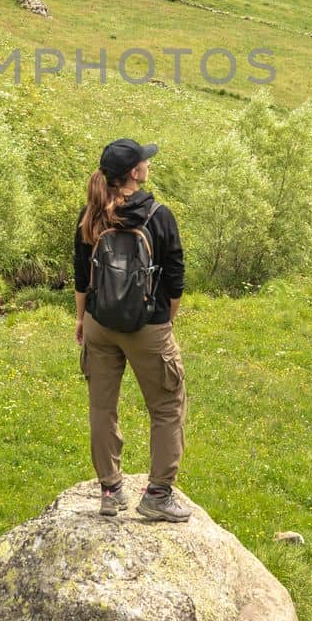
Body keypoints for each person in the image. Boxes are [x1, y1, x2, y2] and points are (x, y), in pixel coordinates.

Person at [74, 138, 190, 522]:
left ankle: (110, 490)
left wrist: (81, 319)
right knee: (166, 407)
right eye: (145, 161)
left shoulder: (91, 213)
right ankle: (157, 494)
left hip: (98, 323)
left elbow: (81, 275)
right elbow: (174, 279)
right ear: (135, 173)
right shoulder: (159, 215)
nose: (148, 165)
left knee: (102, 407)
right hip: (147, 326)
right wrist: (166, 320)